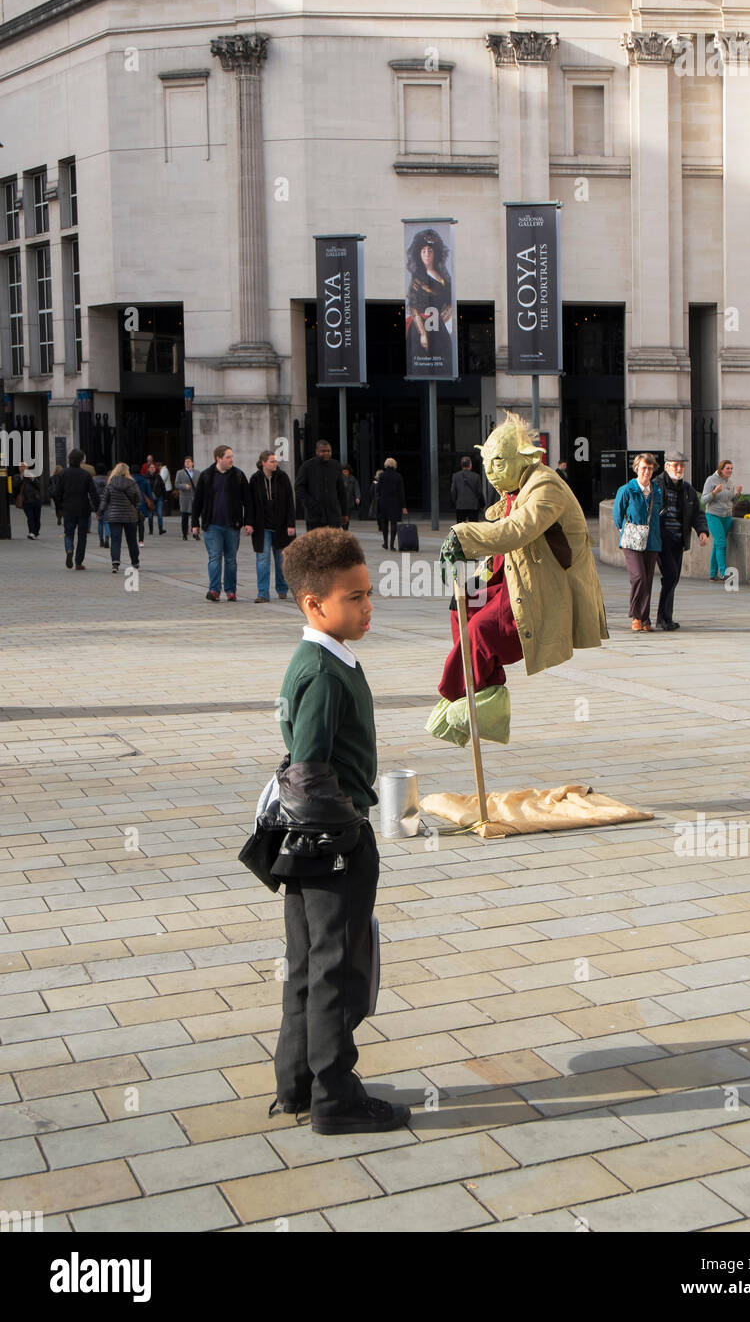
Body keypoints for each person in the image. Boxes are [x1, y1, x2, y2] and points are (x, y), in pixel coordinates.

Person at [272, 527, 410, 1134]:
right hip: (332, 841)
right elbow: (308, 768)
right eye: (353, 597)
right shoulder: (325, 673)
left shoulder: (317, 659)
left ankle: (297, 1083)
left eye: (368, 593)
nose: (367, 605)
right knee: (338, 967)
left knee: (306, 962)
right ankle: (336, 1098)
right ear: (314, 604)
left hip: (307, 843)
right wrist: (349, 836)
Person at [431, 413, 608, 746]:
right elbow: (502, 535)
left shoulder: (546, 485)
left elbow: (517, 530)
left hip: (541, 584)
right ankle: (481, 690)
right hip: (510, 574)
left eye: (499, 462)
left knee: (482, 632)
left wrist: (462, 536)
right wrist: (473, 568)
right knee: (464, 607)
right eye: (488, 462)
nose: (490, 470)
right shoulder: (515, 488)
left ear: (522, 459)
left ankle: (463, 698)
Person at [652, 451, 709, 630]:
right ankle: (664, 619)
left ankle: (664, 617)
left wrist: (702, 531)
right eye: (676, 465)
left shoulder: (687, 489)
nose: (679, 468)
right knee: (670, 576)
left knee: (673, 577)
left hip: (678, 540)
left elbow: (697, 513)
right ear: (667, 466)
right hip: (661, 540)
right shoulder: (656, 486)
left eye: (682, 465)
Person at [191, 444, 254, 602]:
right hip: (212, 525)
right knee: (214, 558)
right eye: (228, 457)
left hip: (232, 525)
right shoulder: (206, 476)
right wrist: (195, 524)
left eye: (232, 456)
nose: (231, 459)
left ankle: (231, 591)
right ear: (219, 458)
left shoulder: (238, 475)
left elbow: (248, 501)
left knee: (231, 559)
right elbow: (197, 501)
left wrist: (249, 522)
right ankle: (214, 590)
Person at [613, 453, 663, 631]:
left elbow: (658, 514)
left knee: (648, 580)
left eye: (650, 468)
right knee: (638, 577)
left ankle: (645, 618)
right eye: (643, 468)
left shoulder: (656, 490)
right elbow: (617, 515)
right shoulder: (627, 490)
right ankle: (636, 616)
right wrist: (626, 531)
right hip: (632, 541)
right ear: (636, 469)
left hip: (652, 540)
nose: (647, 471)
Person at [406, 228, 454, 378]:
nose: (427, 254)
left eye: (430, 250)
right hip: (422, 327)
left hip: (438, 325)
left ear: (436, 253)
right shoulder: (417, 279)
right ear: (418, 254)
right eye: (424, 251)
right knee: (425, 368)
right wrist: (423, 334)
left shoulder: (443, 275)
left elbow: (449, 299)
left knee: (445, 362)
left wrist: (450, 310)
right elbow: (413, 308)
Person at [250, 449, 296, 603]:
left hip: (281, 526)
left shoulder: (282, 477)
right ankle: (263, 593)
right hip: (262, 527)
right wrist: (249, 523)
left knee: (281, 560)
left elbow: (290, 501)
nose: (275, 463)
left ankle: (282, 588)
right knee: (262, 560)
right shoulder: (255, 479)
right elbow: (250, 505)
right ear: (263, 463)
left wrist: (290, 524)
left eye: (276, 461)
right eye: (272, 461)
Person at [56, 448, 99, 570]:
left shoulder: (63, 474)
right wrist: (98, 509)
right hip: (83, 509)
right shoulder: (86, 475)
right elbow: (93, 493)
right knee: (82, 536)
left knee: (68, 533)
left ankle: (69, 549)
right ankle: (78, 562)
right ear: (81, 460)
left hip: (68, 509)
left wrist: (59, 507)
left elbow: (57, 492)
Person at [701, 458, 742, 582]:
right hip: (713, 515)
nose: (730, 471)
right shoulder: (711, 480)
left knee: (718, 544)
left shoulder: (729, 483)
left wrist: (738, 495)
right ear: (721, 469)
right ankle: (724, 573)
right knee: (721, 543)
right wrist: (714, 492)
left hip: (727, 516)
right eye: (727, 468)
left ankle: (713, 574)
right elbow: (703, 500)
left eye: (731, 468)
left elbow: (733, 502)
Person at [295, 440, 348, 530]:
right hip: (315, 516)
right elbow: (299, 487)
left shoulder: (336, 465)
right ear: (317, 451)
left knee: (334, 543)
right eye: (323, 451)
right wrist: (311, 504)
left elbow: (341, 491)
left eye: (328, 451)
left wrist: (344, 513)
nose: (326, 453)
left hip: (333, 515)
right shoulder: (307, 466)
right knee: (316, 543)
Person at [99, 462, 141, 573]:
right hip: (130, 516)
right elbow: (138, 498)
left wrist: (100, 511)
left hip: (114, 516)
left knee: (116, 540)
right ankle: (135, 562)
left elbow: (104, 499)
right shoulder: (132, 483)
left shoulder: (110, 484)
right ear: (127, 471)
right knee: (132, 540)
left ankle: (115, 563)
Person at [377, 458, 407, 551]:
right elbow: (401, 492)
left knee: (384, 523)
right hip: (395, 502)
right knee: (394, 523)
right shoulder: (398, 476)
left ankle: (385, 543)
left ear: (386, 465)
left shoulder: (382, 475)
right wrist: (403, 506)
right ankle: (392, 545)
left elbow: (378, 489)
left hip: (384, 502)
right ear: (395, 465)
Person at [450, 456, 483, 523]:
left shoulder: (456, 476)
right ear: (470, 464)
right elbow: (479, 491)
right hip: (473, 505)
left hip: (460, 504)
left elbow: (453, 491)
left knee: (460, 526)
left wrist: (455, 501)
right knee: (473, 526)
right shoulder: (476, 476)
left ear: (461, 465)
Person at [14, 462, 42, 539]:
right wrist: (21, 478)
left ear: (27, 468)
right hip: (25, 501)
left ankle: (35, 532)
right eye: (21, 467)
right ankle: (31, 532)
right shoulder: (17, 476)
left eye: (24, 466)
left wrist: (32, 479)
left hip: (36, 500)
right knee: (30, 517)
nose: (22, 468)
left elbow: (39, 486)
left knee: (37, 518)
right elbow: (15, 487)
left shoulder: (32, 475)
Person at [174, 455, 198, 540]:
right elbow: (176, 484)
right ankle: (184, 534)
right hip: (184, 498)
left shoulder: (197, 473)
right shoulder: (180, 473)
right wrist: (184, 486)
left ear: (192, 463)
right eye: (186, 462)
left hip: (194, 497)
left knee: (195, 517)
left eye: (189, 461)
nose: (187, 463)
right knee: (184, 517)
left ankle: (195, 533)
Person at [145, 458, 166, 535]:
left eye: (153, 467)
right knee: (150, 515)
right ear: (148, 469)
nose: (152, 469)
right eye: (151, 467)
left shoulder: (158, 477)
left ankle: (160, 529)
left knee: (159, 514)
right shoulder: (145, 477)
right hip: (150, 499)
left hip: (159, 497)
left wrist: (165, 497)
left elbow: (163, 487)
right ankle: (151, 530)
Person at [131, 468, 152, 547]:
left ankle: (132, 540)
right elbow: (149, 493)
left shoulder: (129, 480)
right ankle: (141, 541)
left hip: (132, 505)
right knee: (141, 524)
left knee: (132, 524)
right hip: (142, 505)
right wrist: (151, 502)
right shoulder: (145, 480)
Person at [92, 463, 109, 548]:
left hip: (98, 502)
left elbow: (93, 492)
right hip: (107, 502)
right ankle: (107, 536)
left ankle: (101, 540)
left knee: (100, 522)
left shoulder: (93, 479)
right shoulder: (108, 479)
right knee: (107, 522)